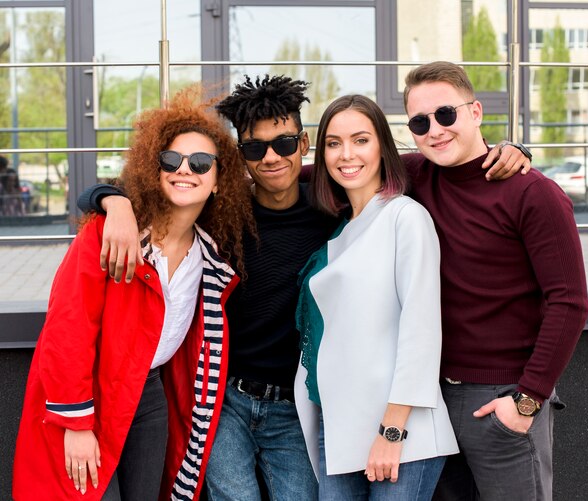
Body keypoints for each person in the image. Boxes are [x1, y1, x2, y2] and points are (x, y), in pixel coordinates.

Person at [76, 74, 531, 501]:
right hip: (227, 401)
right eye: (255, 149)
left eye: (285, 143)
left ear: (304, 146)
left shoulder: (334, 211)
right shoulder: (220, 213)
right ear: (240, 155)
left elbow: (431, 164)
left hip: (300, 410)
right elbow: (149, 188)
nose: (271, 157)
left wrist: (508, 149)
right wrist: (111, 201)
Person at [13, 86, 255, 501]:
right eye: (171, 160)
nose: (185, 170)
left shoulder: (211, 259)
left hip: (149, 395)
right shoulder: (109, 236)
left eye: (200, 163)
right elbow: (67, 329)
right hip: (91, 394)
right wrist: (76, 424)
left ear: (219, 181)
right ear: (154, 169)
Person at [401, 61, 588, 501]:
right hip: (432, 403)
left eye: (446, 114)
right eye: (419, 121)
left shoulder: (531, 192)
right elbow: (336, 169)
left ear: (476, 112)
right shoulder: (415, 176)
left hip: (502, 401)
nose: (435, 129)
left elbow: (570, 303)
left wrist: (526, 401)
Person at [294, 94, 458, 500]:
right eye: (333, 143)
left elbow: (421, 329)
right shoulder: (341, 230)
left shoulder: (405, 217)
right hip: (340, 428)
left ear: (383, 147)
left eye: (360, 140)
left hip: (402, 434)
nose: (346, 154)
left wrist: (392, 430)